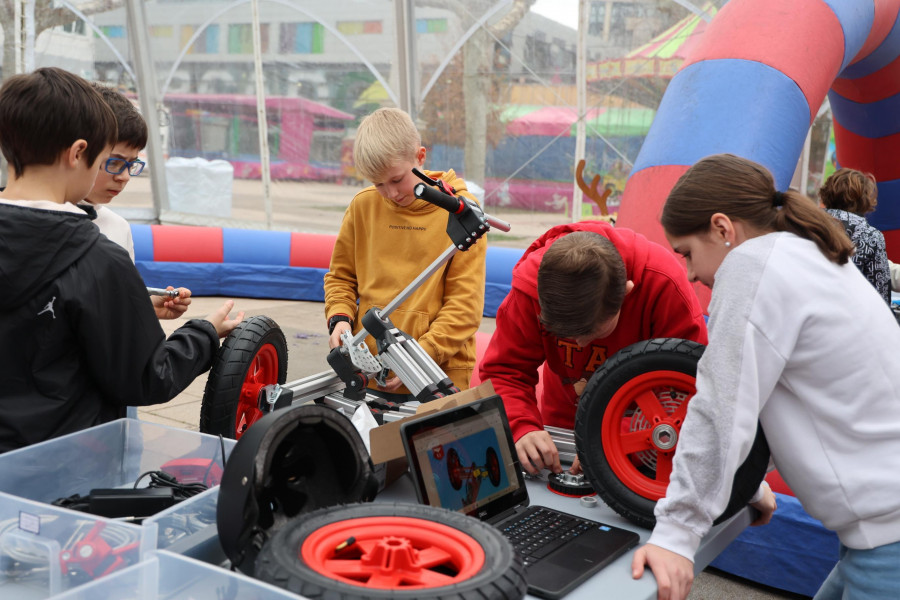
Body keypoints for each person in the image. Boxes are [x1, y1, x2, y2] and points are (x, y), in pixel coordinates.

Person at [633, 153, 900, 600]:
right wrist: (747, 484)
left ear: (722, 228)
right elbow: (797, 403)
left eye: (687, 253)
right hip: (876, 534)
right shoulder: (805, 253)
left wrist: (677, 534)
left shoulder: (753, 264)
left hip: (887, 539)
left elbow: (720, 406)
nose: (691, 273)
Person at [0, 67, 244, 453]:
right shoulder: (98, 259)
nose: (119, 175)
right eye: (105, 159)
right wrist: (205, 333)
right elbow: (146, 376)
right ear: (79, 152)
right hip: (62, 472)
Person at [478, 221, 708, 475]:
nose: (580, 344)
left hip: (645, 434)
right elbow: (505, 371)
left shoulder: (663, 286)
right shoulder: (530, 289)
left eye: (591, 332)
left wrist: (612, 440)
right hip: (562, 427)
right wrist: (522, 427)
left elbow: (694, 389)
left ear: (626, 293)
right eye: (564, 335)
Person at [324, 107, 486, 400]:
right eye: (378, 184)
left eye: (397, 180)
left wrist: (420, 356)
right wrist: (340, 319)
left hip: (438, 374)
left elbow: (465, 306)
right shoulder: (363, 206)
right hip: (372, 373)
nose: (391, 194)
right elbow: (341, 278)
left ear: (420, 157)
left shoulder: (462, 214)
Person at [84, 82, 191, 320]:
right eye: (114, 162)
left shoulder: (117, 227)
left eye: (131, 165)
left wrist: (144, 306)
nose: (123, 177)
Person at [817, 167, 890, 303]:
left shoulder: (806, 224)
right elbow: (880, 295)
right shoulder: (871, 236)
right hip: (847, 316)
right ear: (865, 200)